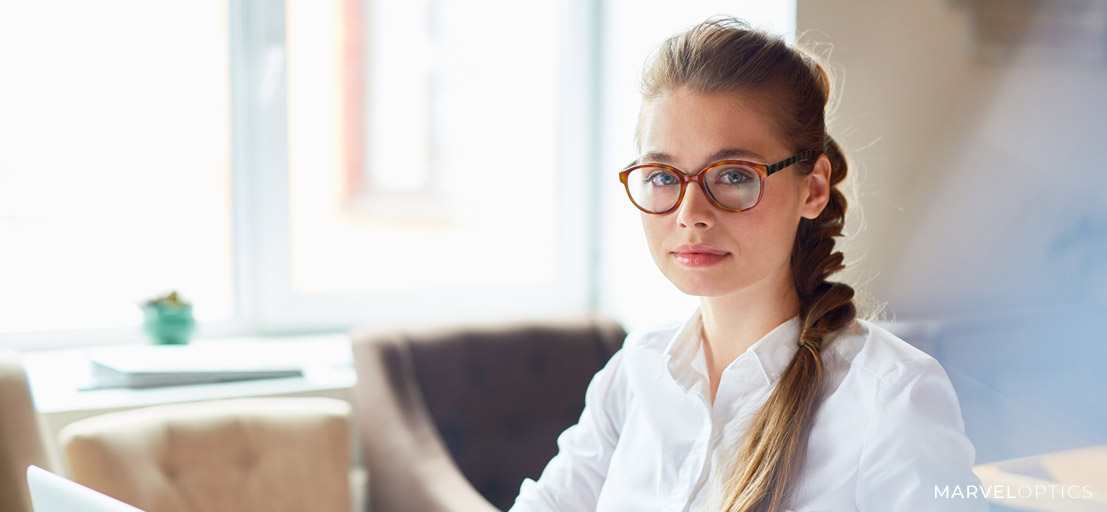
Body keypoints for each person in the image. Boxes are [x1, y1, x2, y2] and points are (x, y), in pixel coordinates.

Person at [508, 17, 986, 512]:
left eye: (734, 174)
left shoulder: (890, 398)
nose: (691, 214)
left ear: (813, 188)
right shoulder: (634, 374)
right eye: (662, 176)